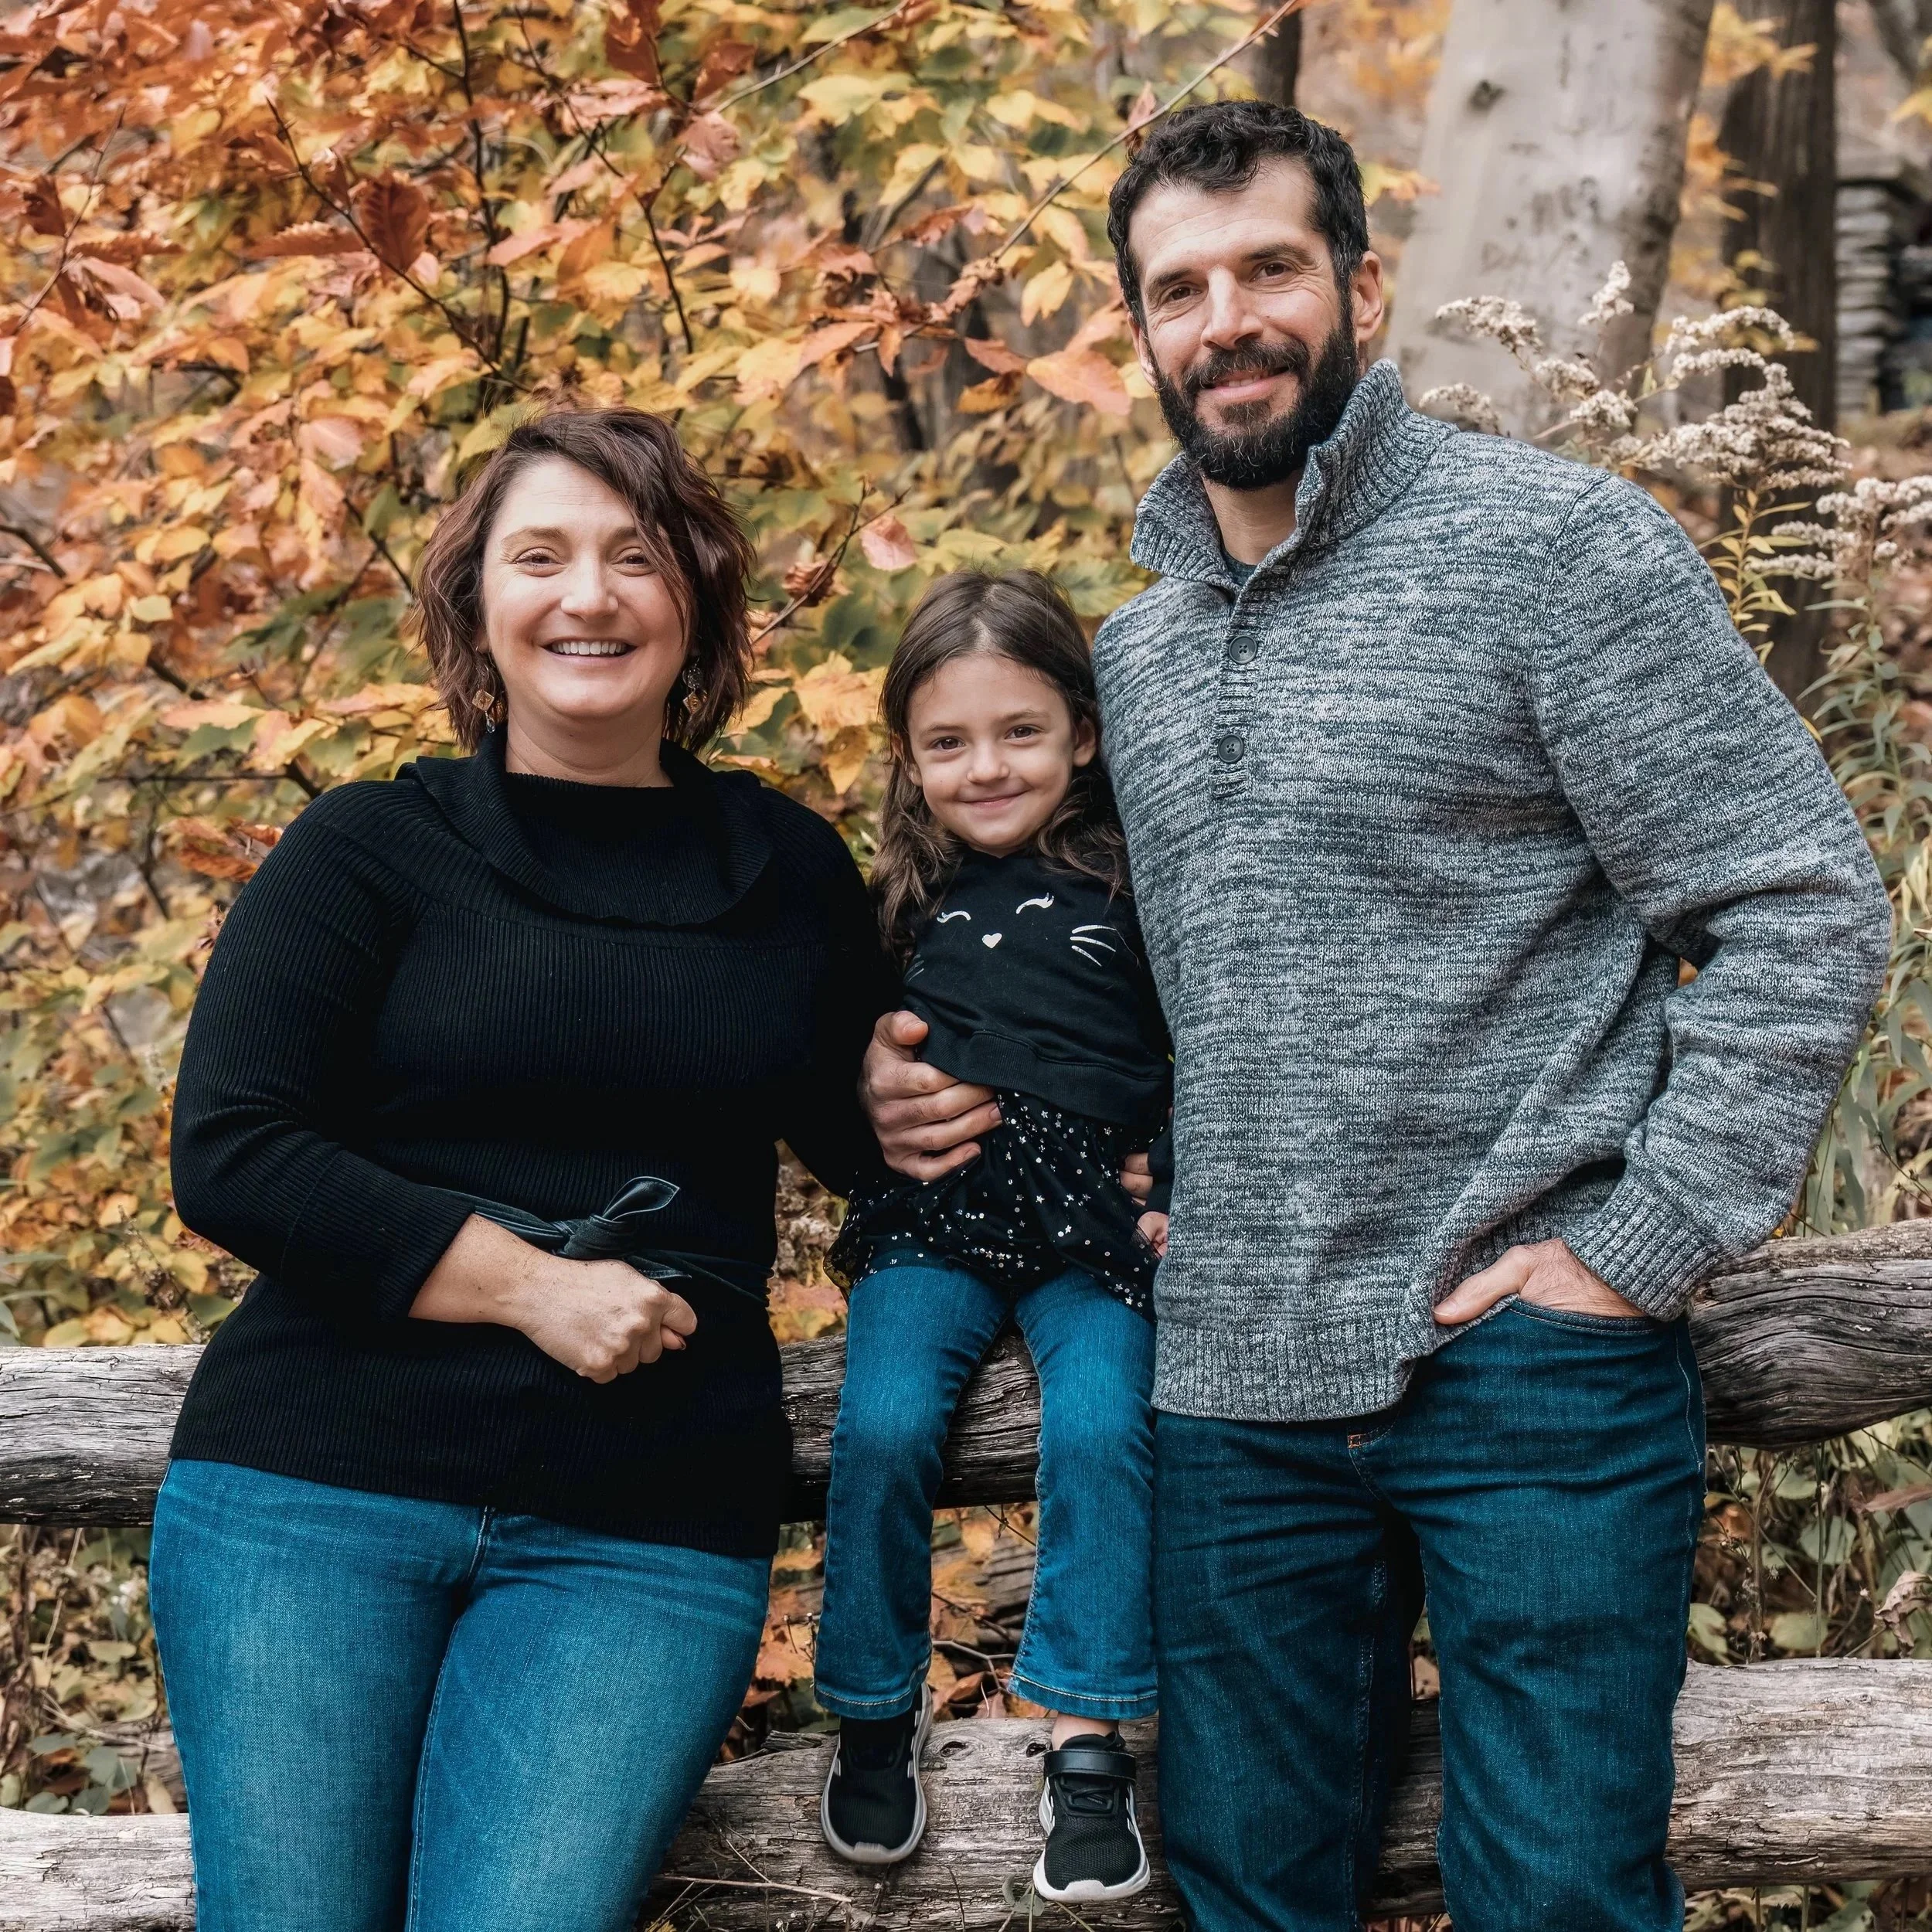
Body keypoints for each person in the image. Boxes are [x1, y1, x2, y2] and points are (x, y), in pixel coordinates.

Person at [861, 101, 1896, 1932]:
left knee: (1556, 1896)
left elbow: (1797, 902)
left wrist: (1635, 1237)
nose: (1225, 318)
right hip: (1234, 1375)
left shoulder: (1557, 551)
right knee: (1250, 1897)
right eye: (1177, 288)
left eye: (1265, 267)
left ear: (1353, 283)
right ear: (1144, 332)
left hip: (1532, 1368)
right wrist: (907, 1077)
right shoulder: (1142, 657)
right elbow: (1125, 972)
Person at [151, 406, 893, 1932]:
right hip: (309, 1494)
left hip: (642, 1534)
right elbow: (232, 1149)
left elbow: (873, 1141)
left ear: (691, 600)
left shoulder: (787, 870)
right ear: (476, 607)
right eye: (538, 556)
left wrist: (1067, 1131)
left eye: (634, 556)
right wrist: (530, 1286)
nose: (588, 595)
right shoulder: (369, 847)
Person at [814, 571, 1170, 1903]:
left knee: (1099, 1430)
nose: (985, 767)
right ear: (908, 756)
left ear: (1082, 731)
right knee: (886, 1424)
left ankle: (1086, 1750)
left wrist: (1175, 1166)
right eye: (948, 742)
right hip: (935, 1227)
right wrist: (856, 1076)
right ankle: (869, 1714)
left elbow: (1208, 1040)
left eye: (1021, 731)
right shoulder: (898, 891)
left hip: (1094, 1234)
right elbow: (822, 1061)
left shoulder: (1140, 871)